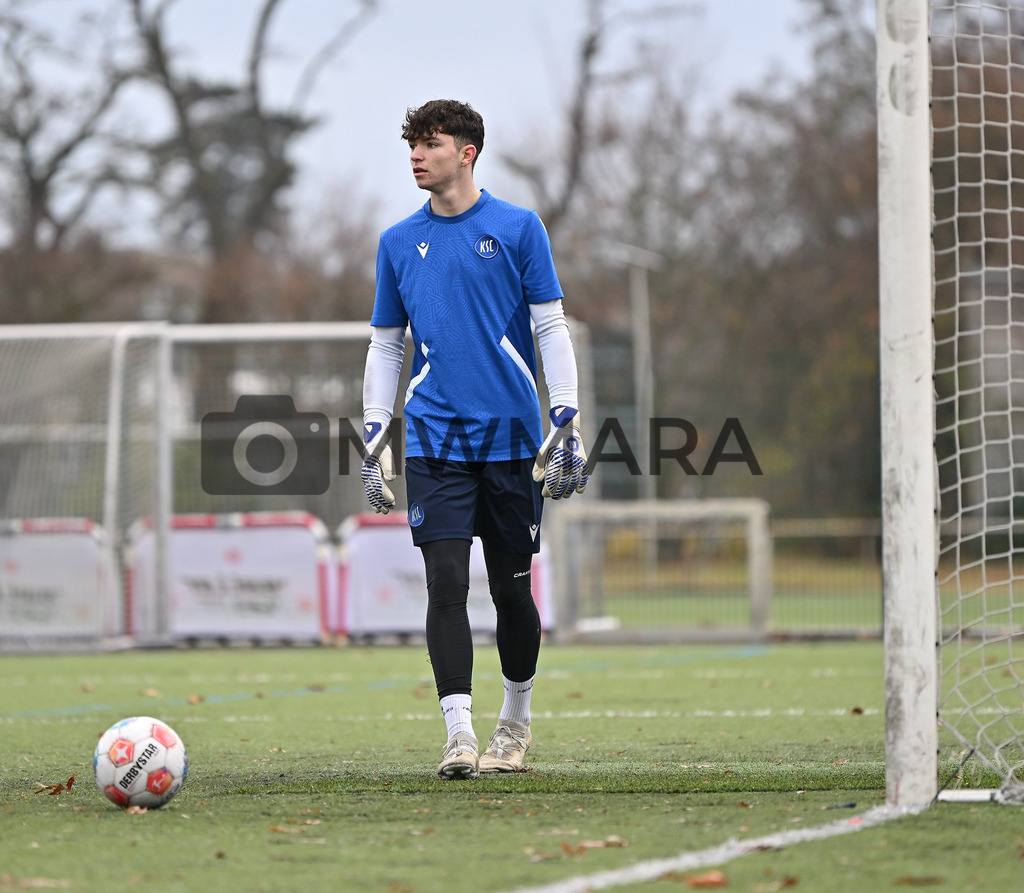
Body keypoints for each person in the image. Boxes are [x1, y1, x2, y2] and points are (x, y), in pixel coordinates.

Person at [360, 99, 589, 779]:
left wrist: (566, 417)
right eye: (411, 144)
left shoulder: (519, 228)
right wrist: (375, 433)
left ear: (467, 152)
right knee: (446, 581)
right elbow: (384, 343)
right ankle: (459, 734)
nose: (415, 155)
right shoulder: (398, 242)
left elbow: (551, 326)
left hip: (514, 439)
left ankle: (513, 720)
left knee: (512, 590)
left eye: (429, 144)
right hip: (435, 439)